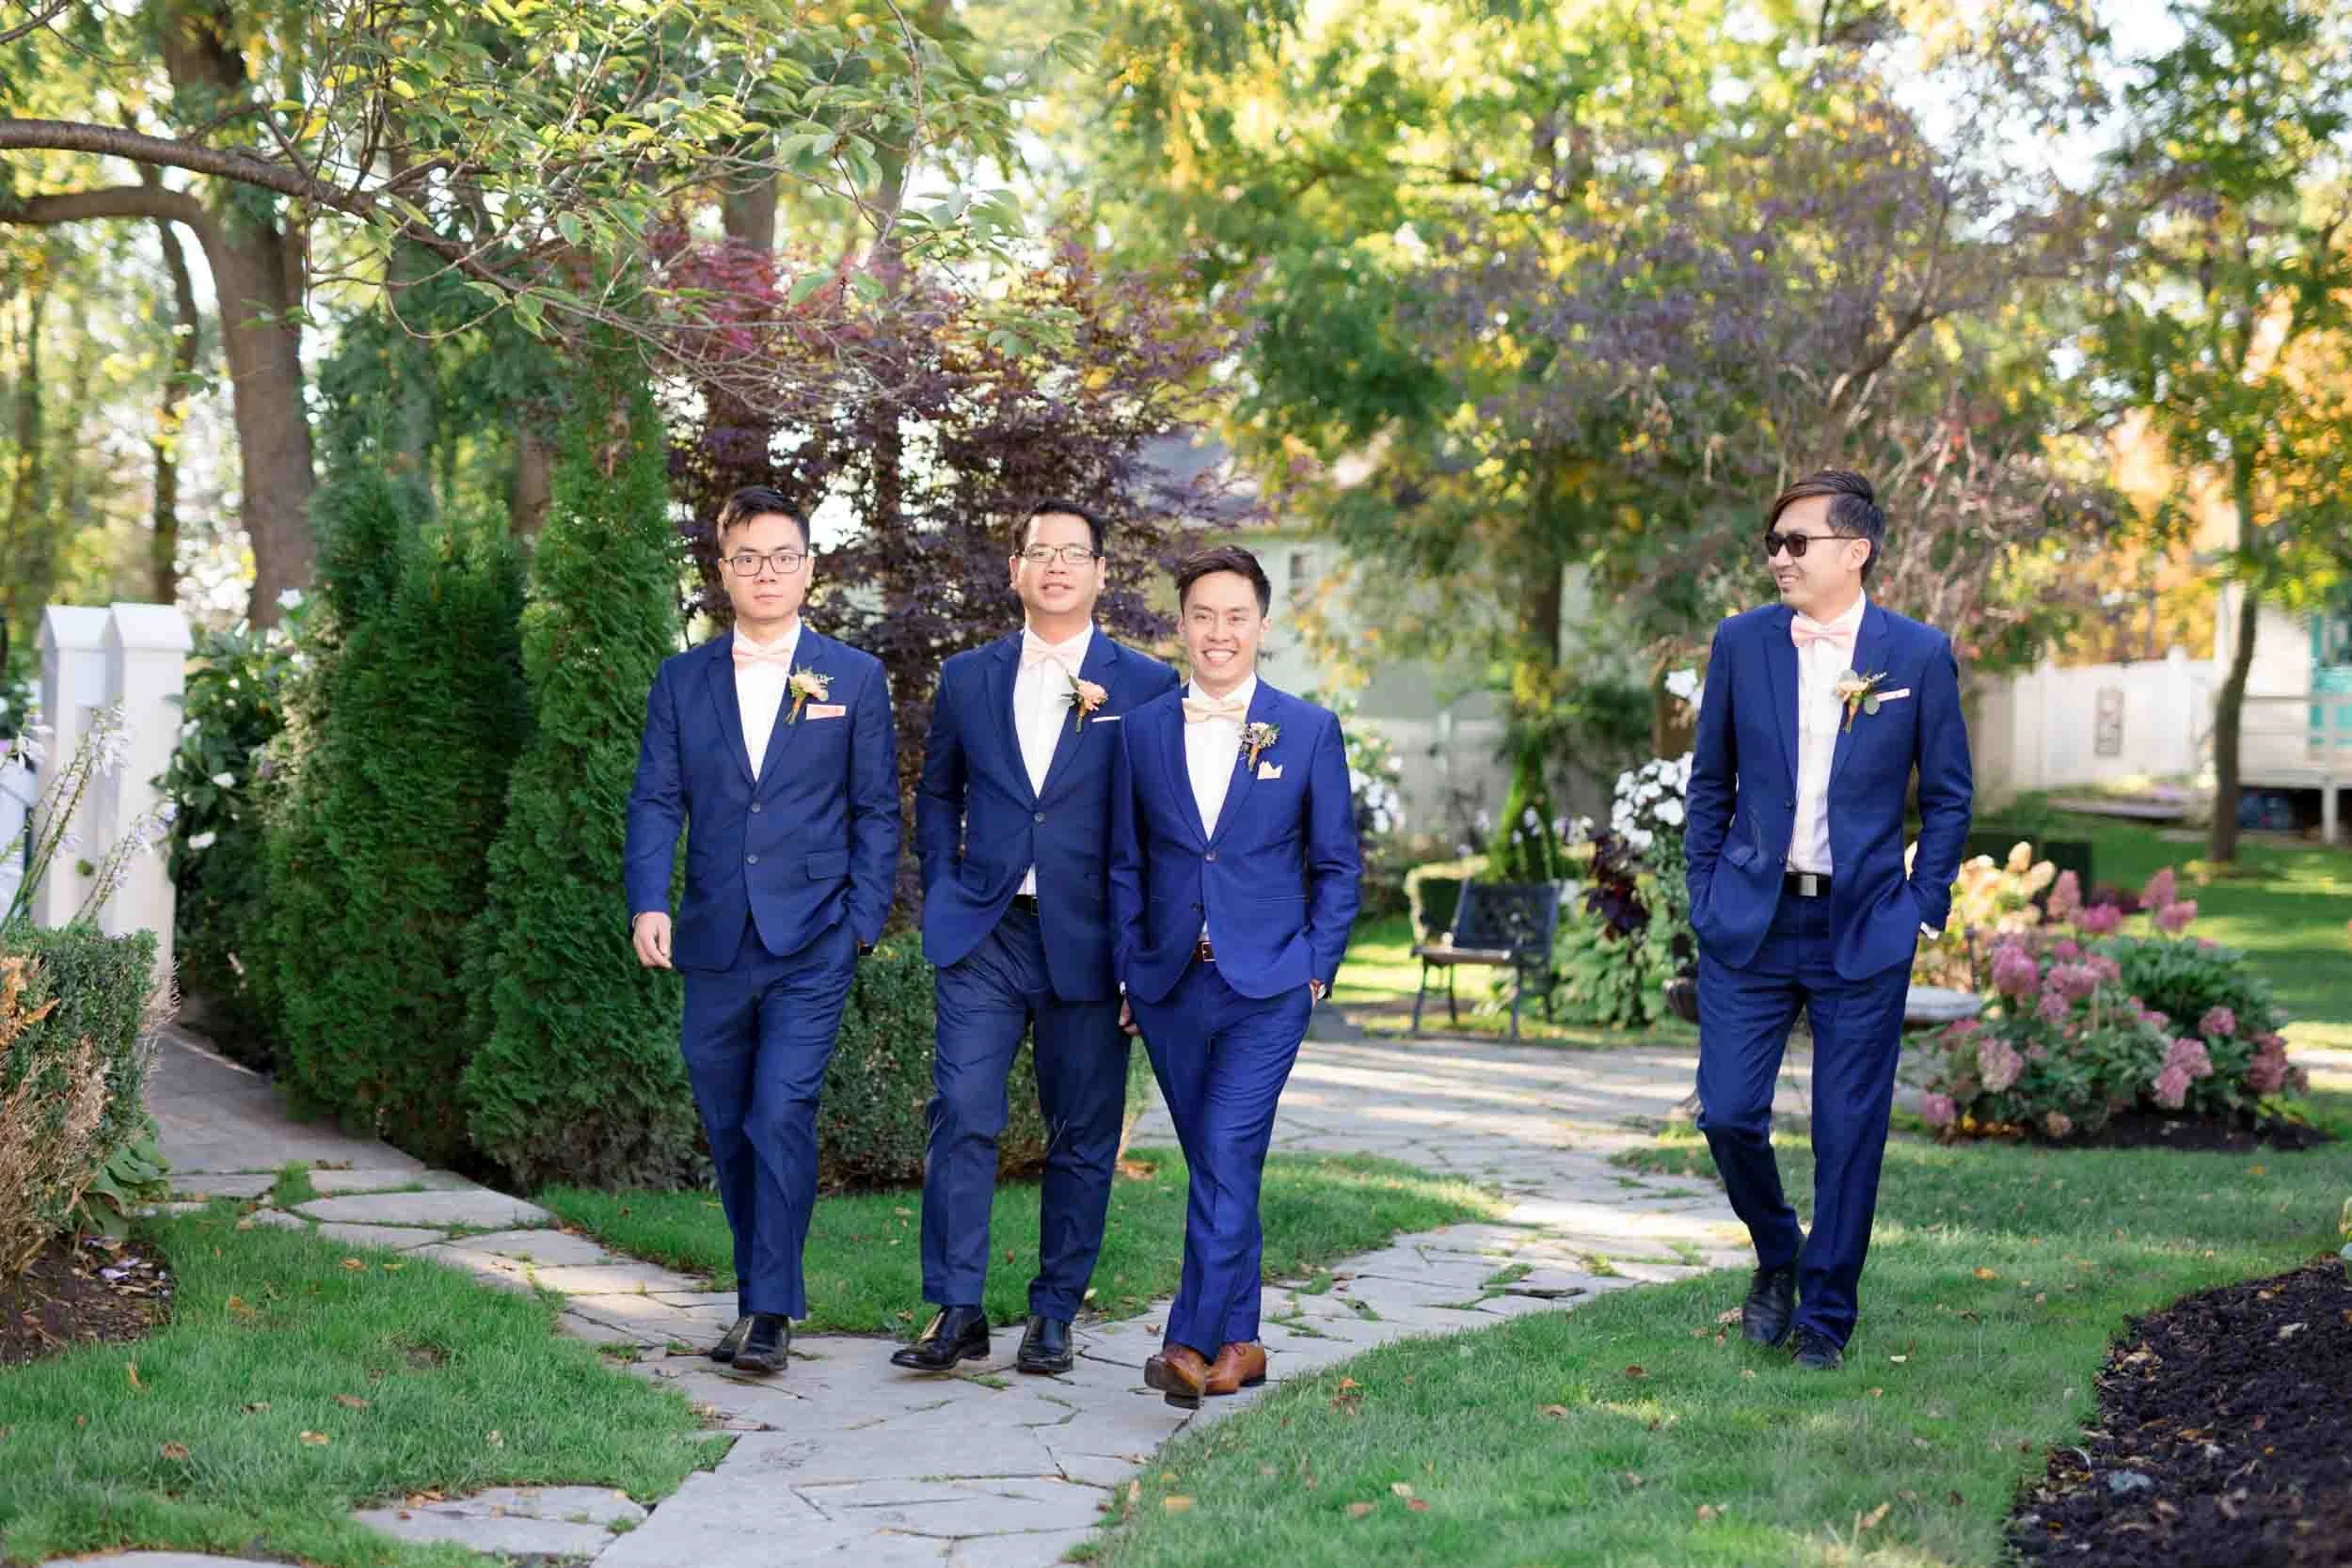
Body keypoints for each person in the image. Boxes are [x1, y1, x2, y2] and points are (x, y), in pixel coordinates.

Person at [1683, 469, 1971, 1370]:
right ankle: (1779, 1250)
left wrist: (1923, 908)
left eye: (1796, 541)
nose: (1778, 557)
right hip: (1752, 922)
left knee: (1850, 1132)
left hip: (1864, 924)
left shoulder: (1918, 655)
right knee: (1728, 1113)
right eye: (1773, 542)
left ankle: (1827, 1319)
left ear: (1856, 550)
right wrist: (1704, 889)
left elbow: (1951, 797)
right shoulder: (1742, 643)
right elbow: (1710, 783)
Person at [890, 500, 1181, 1376]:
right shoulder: (969, 677)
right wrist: (945, 882)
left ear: (1100, 574)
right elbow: (937, 791)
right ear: (1014, 569)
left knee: (1081, 1131)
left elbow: (1161, 826)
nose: (1055, 565)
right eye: (1038, 552)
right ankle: (957, 1308)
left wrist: (1146, 954)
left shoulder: (1146, 687)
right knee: (964, 1113)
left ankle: (1054, 1311)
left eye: (1074, 552)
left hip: (1090, 941)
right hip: (986, 930)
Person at [625, 485, 899, 1376]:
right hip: (710, 936)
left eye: (783, 556)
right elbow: (658, 797)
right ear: (722, 571)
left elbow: (875, 811)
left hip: (813, 936)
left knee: (781, 1109)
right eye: (747, 558)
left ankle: (772, 1313)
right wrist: (649, 900)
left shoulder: (852, 678)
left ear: (810, 568)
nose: (766, 572)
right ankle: (756, 1293)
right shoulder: (682, 678)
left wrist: (859, 924)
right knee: (729, 1119)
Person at [1108, 545, 1361, 1408]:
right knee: (1222, 1162)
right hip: (1170, 985)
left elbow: (1337, 865)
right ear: (1182, 625)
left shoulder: (1309, 729)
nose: (1219, 632)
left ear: (1261, 624)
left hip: (1268, 987)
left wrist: (1316, 971)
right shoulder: (1141, 730)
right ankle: (1241, 1342)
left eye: (1236, 616)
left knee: (1223, 1149)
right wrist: (1130, 974)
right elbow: (1125, 864)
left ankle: (1185, 1340)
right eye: (1203, 616)